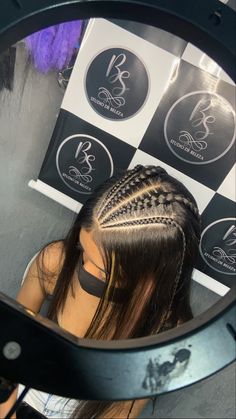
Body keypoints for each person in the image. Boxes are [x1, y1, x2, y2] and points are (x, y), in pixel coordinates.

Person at [0, 165, 201, 419]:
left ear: (151, 277)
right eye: (83, 250)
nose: (85, 269)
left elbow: (117, 413)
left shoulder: (167, 332)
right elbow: (10, 346)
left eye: (106, 272)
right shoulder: (57, 261)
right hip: (19, 389)